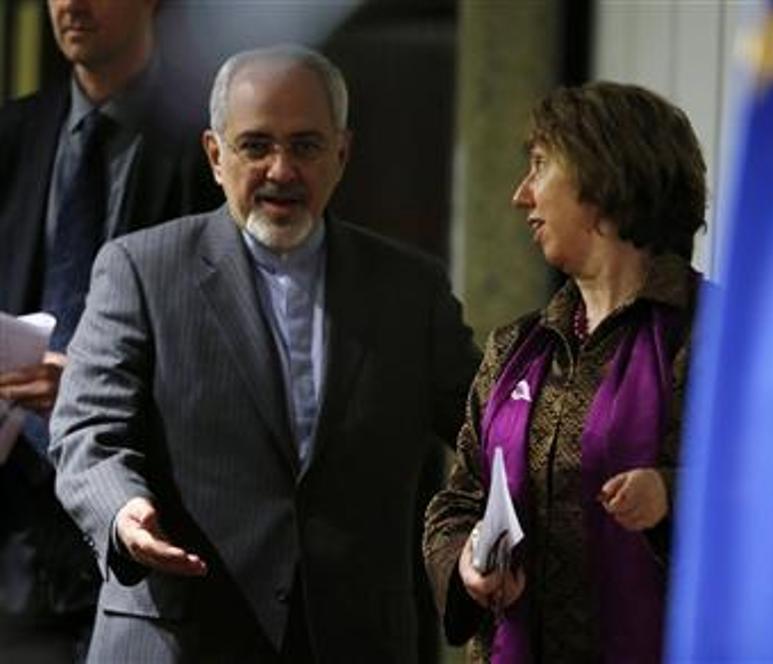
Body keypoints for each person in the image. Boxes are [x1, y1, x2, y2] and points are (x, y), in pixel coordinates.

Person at [48, 45, 479, 662]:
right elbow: (87, 427)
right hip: (178, 634)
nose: (281, 170)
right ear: (215, 155)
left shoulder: (412, 290)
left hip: (354, 640)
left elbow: (488, 430)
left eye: (305, 146)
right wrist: (124, 512)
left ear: (343, 153)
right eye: (256, 146)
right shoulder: (140, 269)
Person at [423, 82, 707, 663]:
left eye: (540, 166)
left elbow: (772, 494)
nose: (520, 196)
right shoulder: (515, 347)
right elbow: (457, 502)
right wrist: (470, 561)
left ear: (604, 177)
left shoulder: (713, 336)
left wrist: (669, 497)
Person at [0, 0, 219, 660]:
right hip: (15, 538)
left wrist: (89, 384)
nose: (70, 3)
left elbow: (233, 349)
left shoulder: (211, 141)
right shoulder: (13, 135)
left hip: (152, 527)